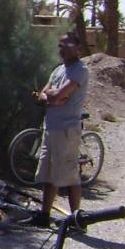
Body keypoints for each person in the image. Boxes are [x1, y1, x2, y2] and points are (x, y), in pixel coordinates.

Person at [32, 32, 90, 228]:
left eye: (67, 44)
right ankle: (44, 215)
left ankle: (76, 218)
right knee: (49, 174)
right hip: (51, 128)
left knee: (70, 174)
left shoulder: (79, 70)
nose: (62, 49)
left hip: (67, 130)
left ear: (78, 48)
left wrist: (52, 97)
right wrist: (51, 96)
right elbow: (45, 95)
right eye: (60, 45)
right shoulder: (58, 71)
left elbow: (57, 96)